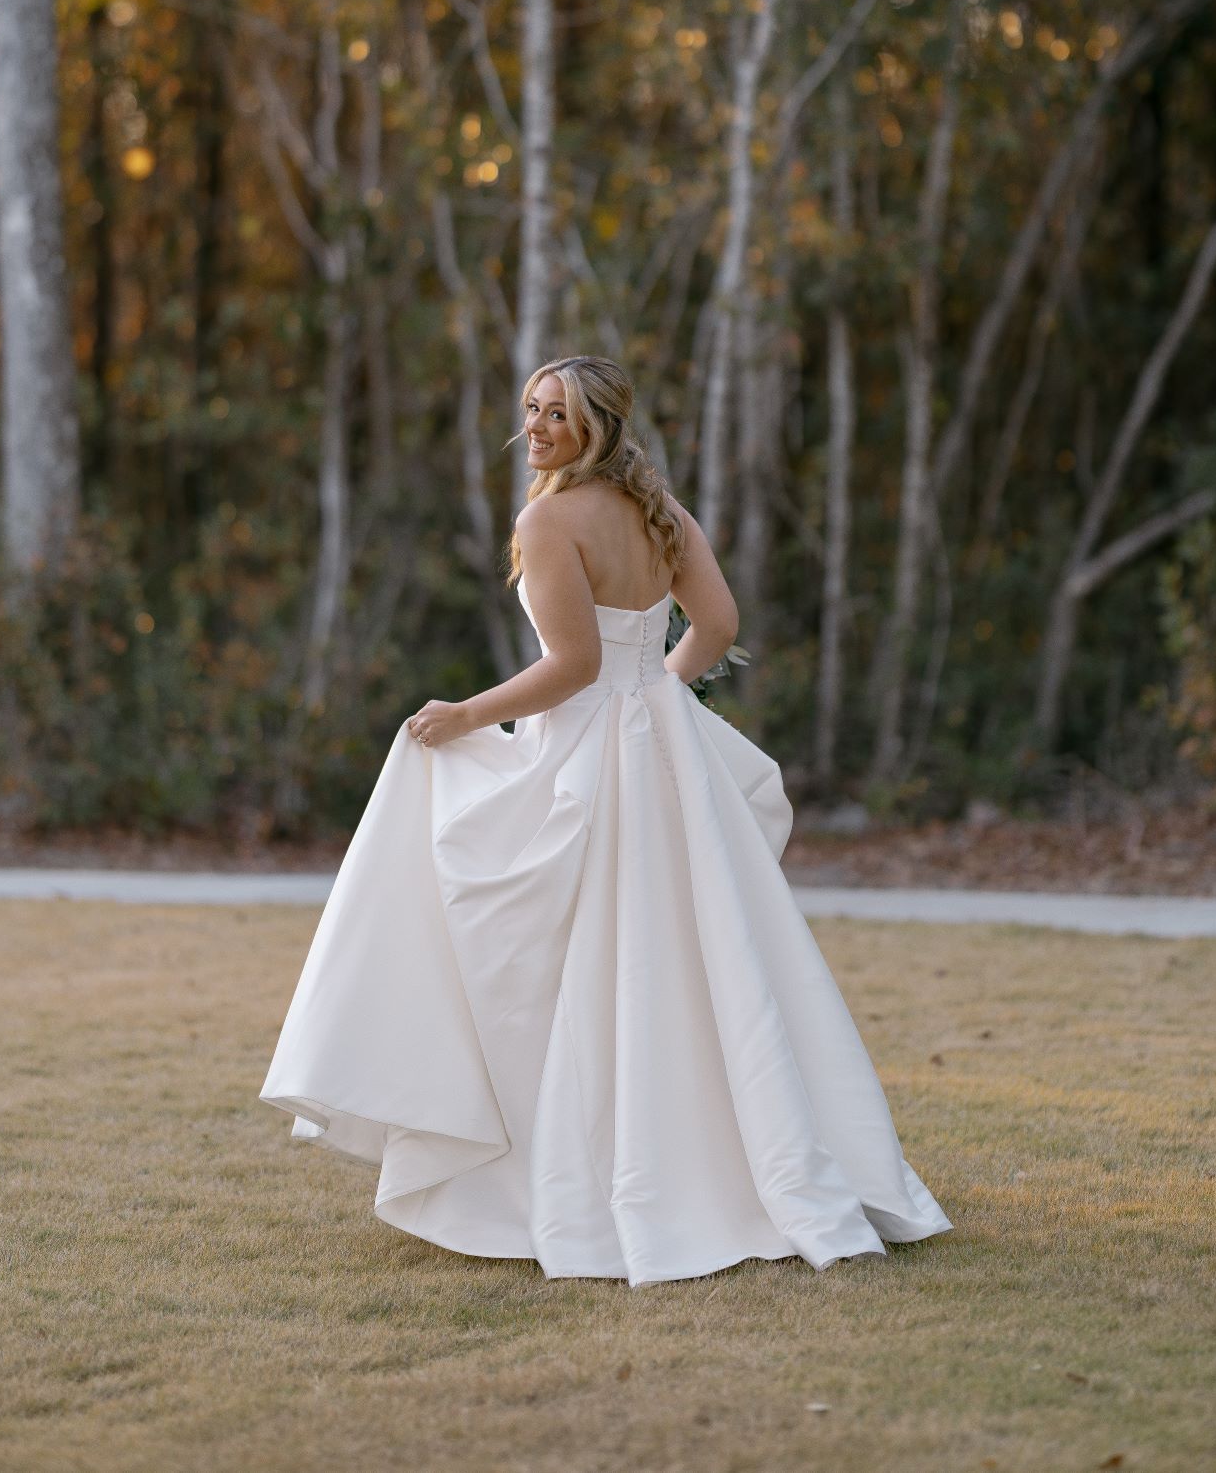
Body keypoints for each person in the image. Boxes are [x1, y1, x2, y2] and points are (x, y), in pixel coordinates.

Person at [259, 353, 949, 1285]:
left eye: (557, 414)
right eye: (532, 410)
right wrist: (658, 696)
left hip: (591, 751)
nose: (536, 428)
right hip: (664, 750)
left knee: (578, 960)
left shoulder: (547, 520)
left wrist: (467, 714)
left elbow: (574, 666)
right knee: (691, 959)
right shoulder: (662, 514)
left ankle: (577, 1180)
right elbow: (716, 626)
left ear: (599, 426)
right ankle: (732, 1163)